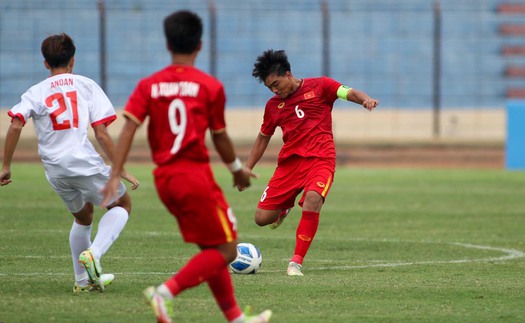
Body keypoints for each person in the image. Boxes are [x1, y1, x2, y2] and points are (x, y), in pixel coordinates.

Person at [101, 11, 271, 323]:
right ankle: (164, 293)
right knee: (228, 251)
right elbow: (219, 137)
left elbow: (128, 128)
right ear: (200, 45)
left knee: (213, 247)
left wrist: (114, 174)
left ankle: (235, 317)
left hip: (166, 179)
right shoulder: (209, 86)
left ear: (167, 44)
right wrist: (237, 170)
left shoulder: (149, 86)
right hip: (194, 178)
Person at [0, 33, 139, 293]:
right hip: (82, 162)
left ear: (45, 63)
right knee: (122, 204)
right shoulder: (85, 85)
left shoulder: (35, 92)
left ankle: (82, 282)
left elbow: (15, 125)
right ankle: (94, 255)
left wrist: (6, 165)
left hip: (54, 169)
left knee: (84, 217)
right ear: (72, 60)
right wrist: (120, 169)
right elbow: (101, 132)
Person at [240, 49, 379, 276]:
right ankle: (285, 207)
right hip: (290, 165)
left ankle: (296, 262)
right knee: (261, 219)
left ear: (288, 74)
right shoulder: (273, 107)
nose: (275, 90)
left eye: (276, 84)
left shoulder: (321, 86)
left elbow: (348, 92)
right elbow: (263, 137)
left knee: (314, 198)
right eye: (269, 88)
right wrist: (247, 169)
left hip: (321, 159)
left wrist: (366, 100)